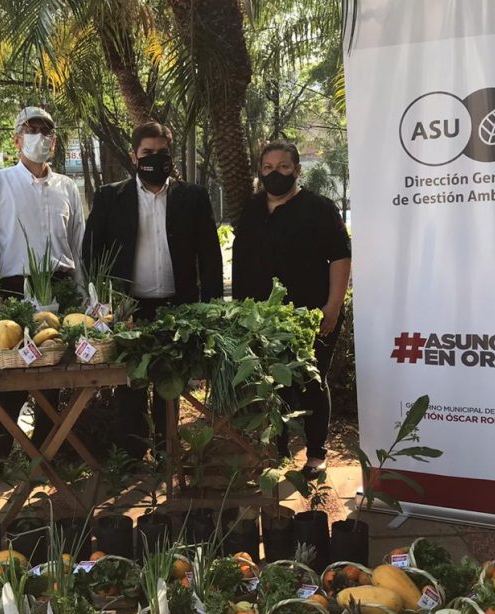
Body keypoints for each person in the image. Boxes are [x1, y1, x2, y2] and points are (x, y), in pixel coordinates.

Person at [83, 121, 224, 457]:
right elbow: (91, 252)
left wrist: (212, 305)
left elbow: (210, 255)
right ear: (135, 156)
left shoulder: (193, 197)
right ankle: (132, 455)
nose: (154, 158)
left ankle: (166, 451)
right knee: (129, 383)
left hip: (178, 306)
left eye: (161, 152)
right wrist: (103, 303)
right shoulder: (110, 197)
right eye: (147, 152)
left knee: (169, 384)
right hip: (128, 309)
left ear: (170, 155)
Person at [0, 106, 86, 468]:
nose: (40, 137)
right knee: (8, 375)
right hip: (14, 289)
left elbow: (78, 244)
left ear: (54, 142)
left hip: (60, 287)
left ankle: (46, 455)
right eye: (32, 130)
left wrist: (83, 295)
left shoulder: (67, 187)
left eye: (46, 131)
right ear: (17, 139)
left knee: (53, 374)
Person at [232, 141, 352, 479]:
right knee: (273, 384)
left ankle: (315, 453)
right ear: (260, 171)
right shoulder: (252, 209)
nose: (275, 174)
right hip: (262, 319)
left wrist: (332, 306)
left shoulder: (319, 208)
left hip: (313, 316)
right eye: (268, 168)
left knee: (312, 381)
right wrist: (239, 312)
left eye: (283, 167)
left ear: (297, 170)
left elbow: (340, 257)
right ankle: (278, 450)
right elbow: (241, 260)